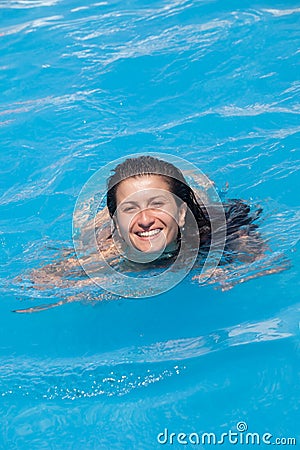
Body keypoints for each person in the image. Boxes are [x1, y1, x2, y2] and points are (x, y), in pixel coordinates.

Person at [15, 155, 284, 312]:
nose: (144, 220)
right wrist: (92, 287)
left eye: (157, 203)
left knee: (200, 189)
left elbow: (268, 265)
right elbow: (33, 284)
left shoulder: (217, 228)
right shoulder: (102, 251)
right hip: (113, 236)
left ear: (181, 213)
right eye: (130, 209)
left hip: (195, 213)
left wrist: (237, 272)